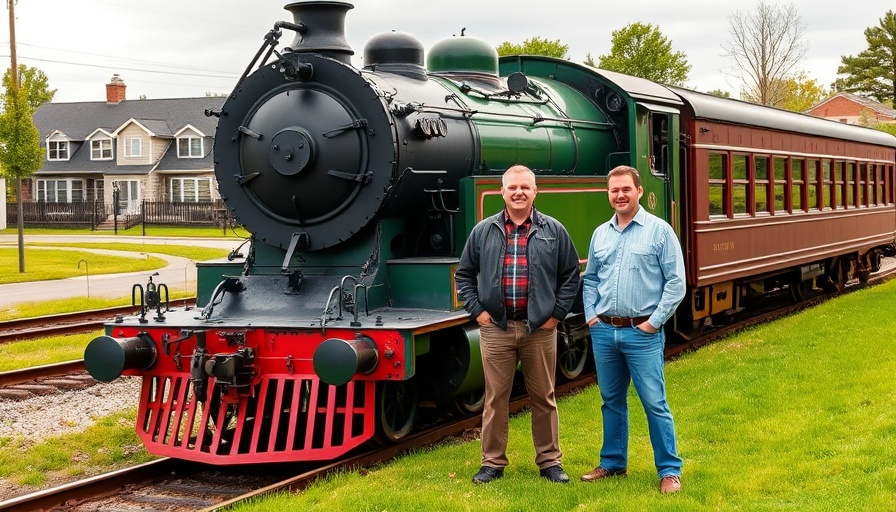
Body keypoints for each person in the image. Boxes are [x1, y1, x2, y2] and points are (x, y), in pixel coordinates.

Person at [455, 164, 581, 485]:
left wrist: (556, 315)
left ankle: (550, 461)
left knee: (544, 397)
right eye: (512, 187)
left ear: (535, 191)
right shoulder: (483, 231)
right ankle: (492, 463)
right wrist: (479, 313)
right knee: (496, 398)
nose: (518, 192)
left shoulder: (554, 230)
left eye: (525, 187)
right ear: (502, 192)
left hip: (539, 329)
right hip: (496, 327)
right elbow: (464, 275)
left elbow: (570, 276)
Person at [580, 165, 686, 494]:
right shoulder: (601, 233)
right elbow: (591, 279)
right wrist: (591, 316)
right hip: (604, 331)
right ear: (608, 194)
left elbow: (676, 283)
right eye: (614, 190)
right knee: (611, 400)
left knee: (654, 402)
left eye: (626, 189)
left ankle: (669, 470)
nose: (620, 195)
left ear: (639, 191)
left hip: (642, 334)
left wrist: (653, 323)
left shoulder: (660, 231)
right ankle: (612, 463)